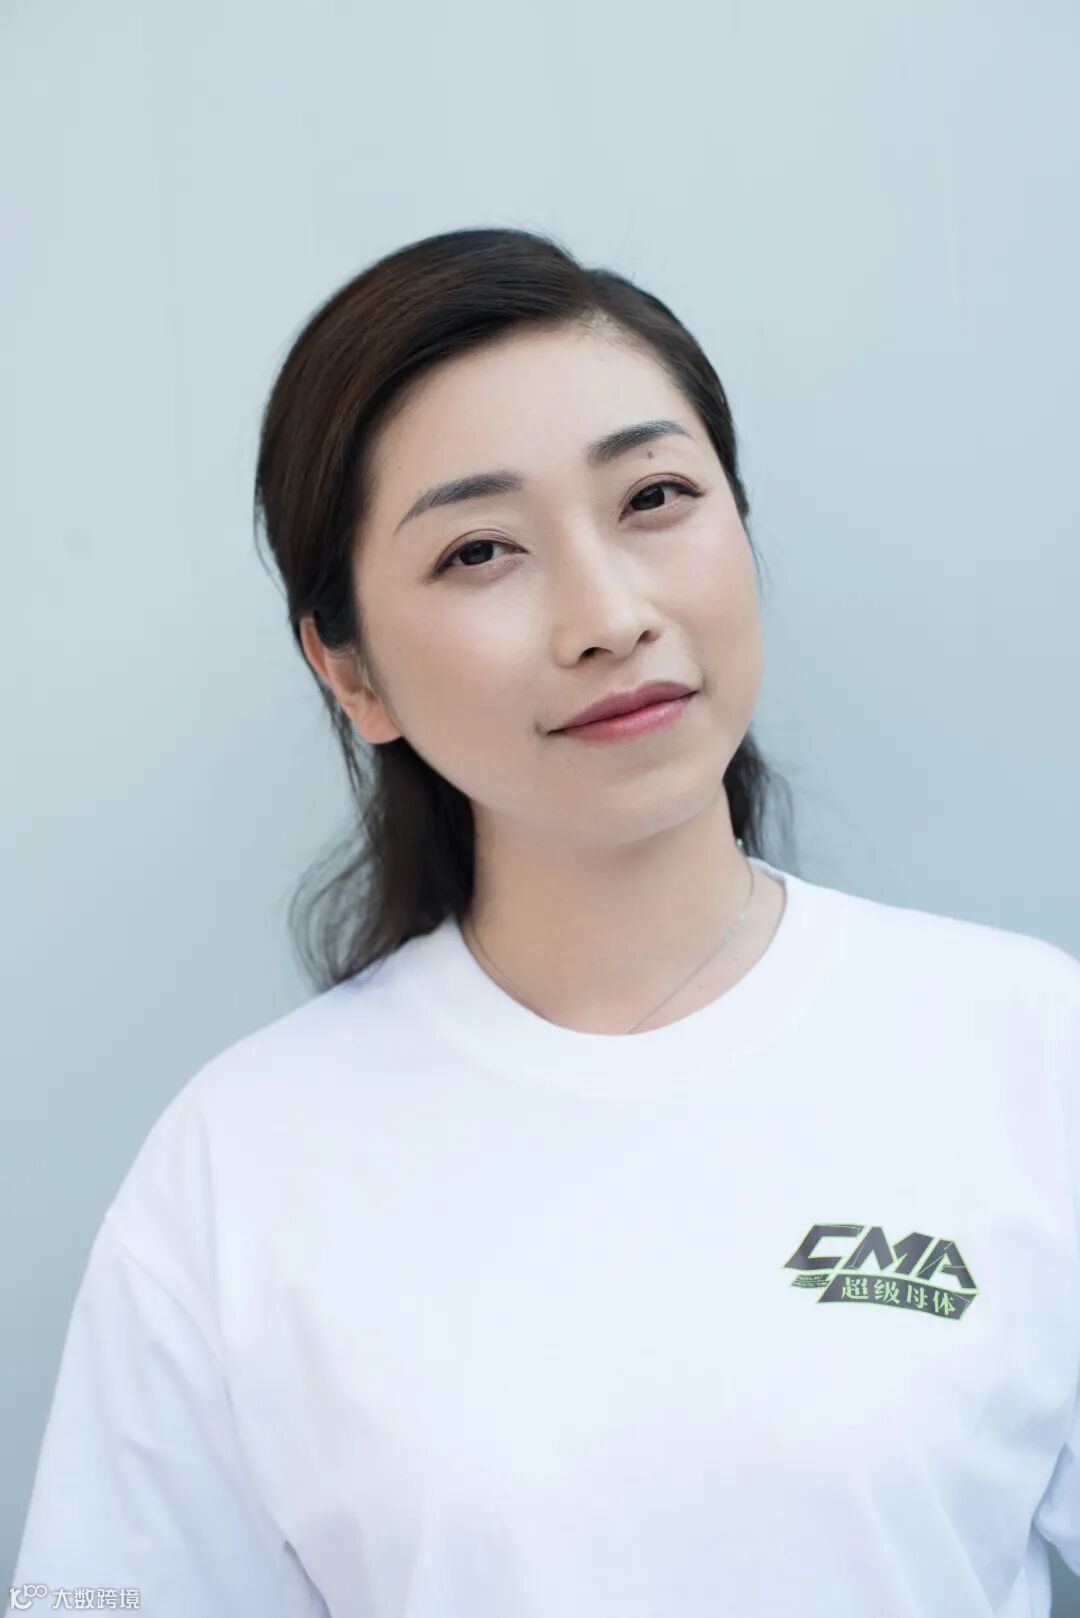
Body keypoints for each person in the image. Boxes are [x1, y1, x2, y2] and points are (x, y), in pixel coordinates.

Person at [11, 226, 1080, 1618]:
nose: (607, 616)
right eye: (480, 550)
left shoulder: (1025, 1050)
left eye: (654, 496)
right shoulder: (241, 1168)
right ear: (350, 671)